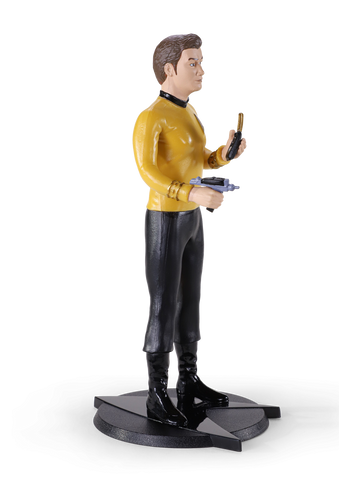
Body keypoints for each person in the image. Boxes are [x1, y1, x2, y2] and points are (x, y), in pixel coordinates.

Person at [130, 31, 249, 427]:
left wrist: (225, 154)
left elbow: (201, 160)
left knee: (191, 298)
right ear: (169, 69)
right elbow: (147, 173)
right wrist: (190, 192)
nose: (202, 70)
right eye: (193, 63)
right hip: (165, 217)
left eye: (203, 62)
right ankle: (156, 391)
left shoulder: (192, 111)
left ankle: (189, 380)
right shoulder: (150, 115)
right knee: (164, 303)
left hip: (192, 217)